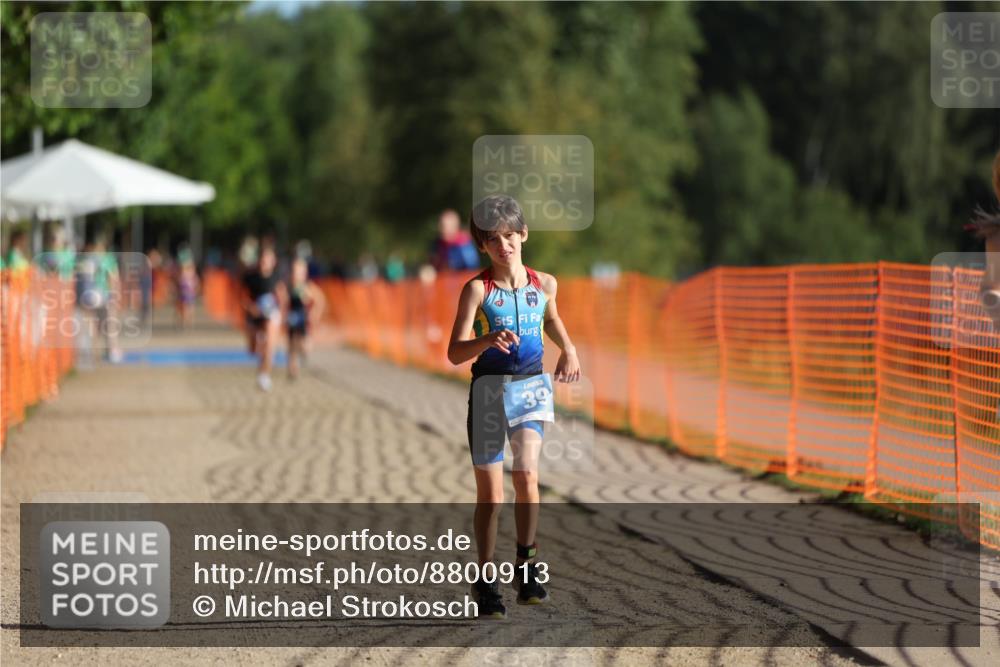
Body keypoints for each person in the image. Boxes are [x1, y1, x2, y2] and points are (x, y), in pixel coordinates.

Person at [446, 194, 581, 619]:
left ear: (523, 234)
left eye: (509, 235)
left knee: (526, 475)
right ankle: (485, 581)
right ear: (482, 246)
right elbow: (453, 352)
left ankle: (526, 565)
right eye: (492, 239)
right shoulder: (477, 290)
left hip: (531, 387)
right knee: (492, 494)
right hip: (488, 391)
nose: (503, 245)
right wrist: (485, 340)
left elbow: (551, 318)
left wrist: (570, 350)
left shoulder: (545, 284)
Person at [241, 245, 286, 391]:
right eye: (262, 258)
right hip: (254, 314)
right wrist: (250, 307)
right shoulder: (250, 277)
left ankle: (264, 375)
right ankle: (259, 347)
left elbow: (282, 297)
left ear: (273, 261)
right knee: (253, 348)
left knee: (270, 346)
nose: (264, 262)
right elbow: (242, 298)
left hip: (271, 314)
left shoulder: (277, 277)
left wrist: (281, 310)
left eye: (268, 259)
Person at [285, 256, 325, 380]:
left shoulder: (308, 286)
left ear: (304, 272)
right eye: (294, 271)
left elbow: (320, 300)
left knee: (304, 345)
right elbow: (282, 300)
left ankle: (304, 353)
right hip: (291, 318)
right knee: (291, 345)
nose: (296, 274)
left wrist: (315, 314)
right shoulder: (288, 285)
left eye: (299, 271)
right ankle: (293, 370)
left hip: (304, 319)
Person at [174, 246, 199, 330]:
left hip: (189, 293)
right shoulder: (182, 275)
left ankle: (188, 321)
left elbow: (196, 284)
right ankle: (184, 321)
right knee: (184, 308)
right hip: (184, 293)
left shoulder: (192, 275)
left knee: (189, 308)